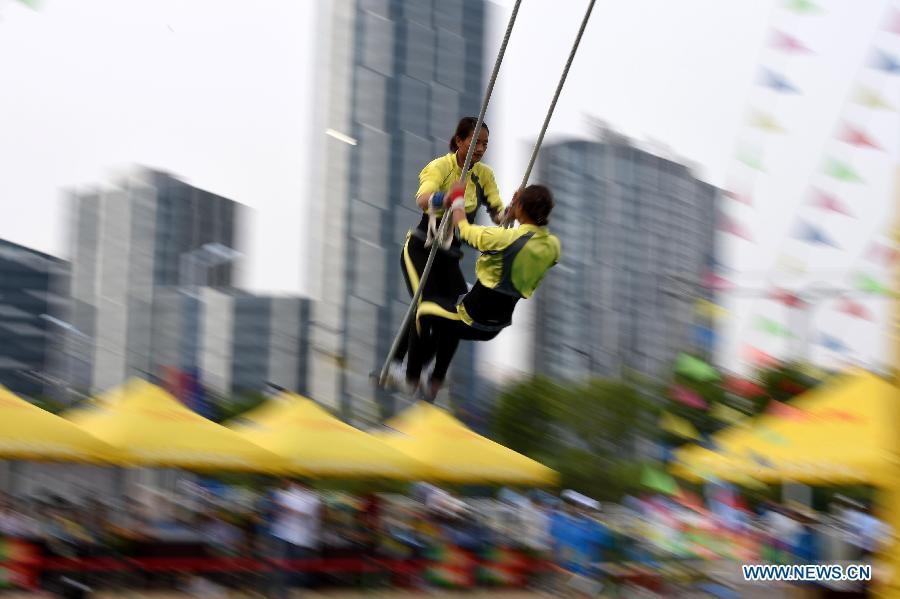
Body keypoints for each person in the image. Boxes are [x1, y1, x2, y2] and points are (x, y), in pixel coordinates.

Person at [406, 183, 560, 398]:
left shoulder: (505, 239)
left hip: (470, 317)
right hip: (495, 326)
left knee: (423, 311)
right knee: (448, 324)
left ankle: (411, 377)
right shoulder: (553, 246)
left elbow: (466, 231)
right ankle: (435, 380)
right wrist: (518, 210)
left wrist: (458, 200)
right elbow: (529, 244)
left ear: (523, 208)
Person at [385, 117, 505, 384]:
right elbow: (423, 199)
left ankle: (431, 368)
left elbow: (496, 211)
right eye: (475, 142)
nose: (480, 149)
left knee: (458, 312)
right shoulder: (441, 167)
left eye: (485, 144)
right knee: (424, 306)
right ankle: (400, 365)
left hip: (448, 257)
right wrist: (446, 197)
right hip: (421, 248)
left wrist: (507, 213)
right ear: (460, 141)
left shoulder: (483, 175)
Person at [270, 479, 322, 596]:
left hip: (301, 537)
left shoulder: (311, 497)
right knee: (284, 564)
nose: (289, 485)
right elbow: (276, 512)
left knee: (298, 565)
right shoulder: (286, 495)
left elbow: (305, 513)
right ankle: (284, 591)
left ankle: (296, 590)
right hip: (285, 535)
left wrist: (285, 507)